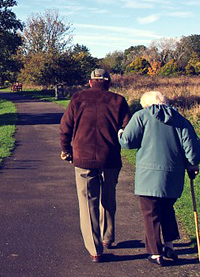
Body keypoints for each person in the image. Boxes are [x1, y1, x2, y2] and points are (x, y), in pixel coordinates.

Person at [118, 91, 200, 266]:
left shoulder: (141, 116)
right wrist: (192, 164)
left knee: (151, 213)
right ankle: (169, 245)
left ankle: (155, 253)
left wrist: (120, 133)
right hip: (173, 175)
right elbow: (191, 147)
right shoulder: (180, 119)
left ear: (146, 104)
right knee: (167, 209)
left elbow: (127, 142)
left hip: (148, 176)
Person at [59, 68, 131, 263]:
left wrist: (66, 149)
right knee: (108, 198)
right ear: (108, 83)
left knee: (87, 203)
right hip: (110, 159)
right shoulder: (118, 101)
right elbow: (127, 129)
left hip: (83, 158)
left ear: (90, 82)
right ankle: (107, 237)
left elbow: (65, 127)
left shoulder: (77, 98)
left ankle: (95, 249)